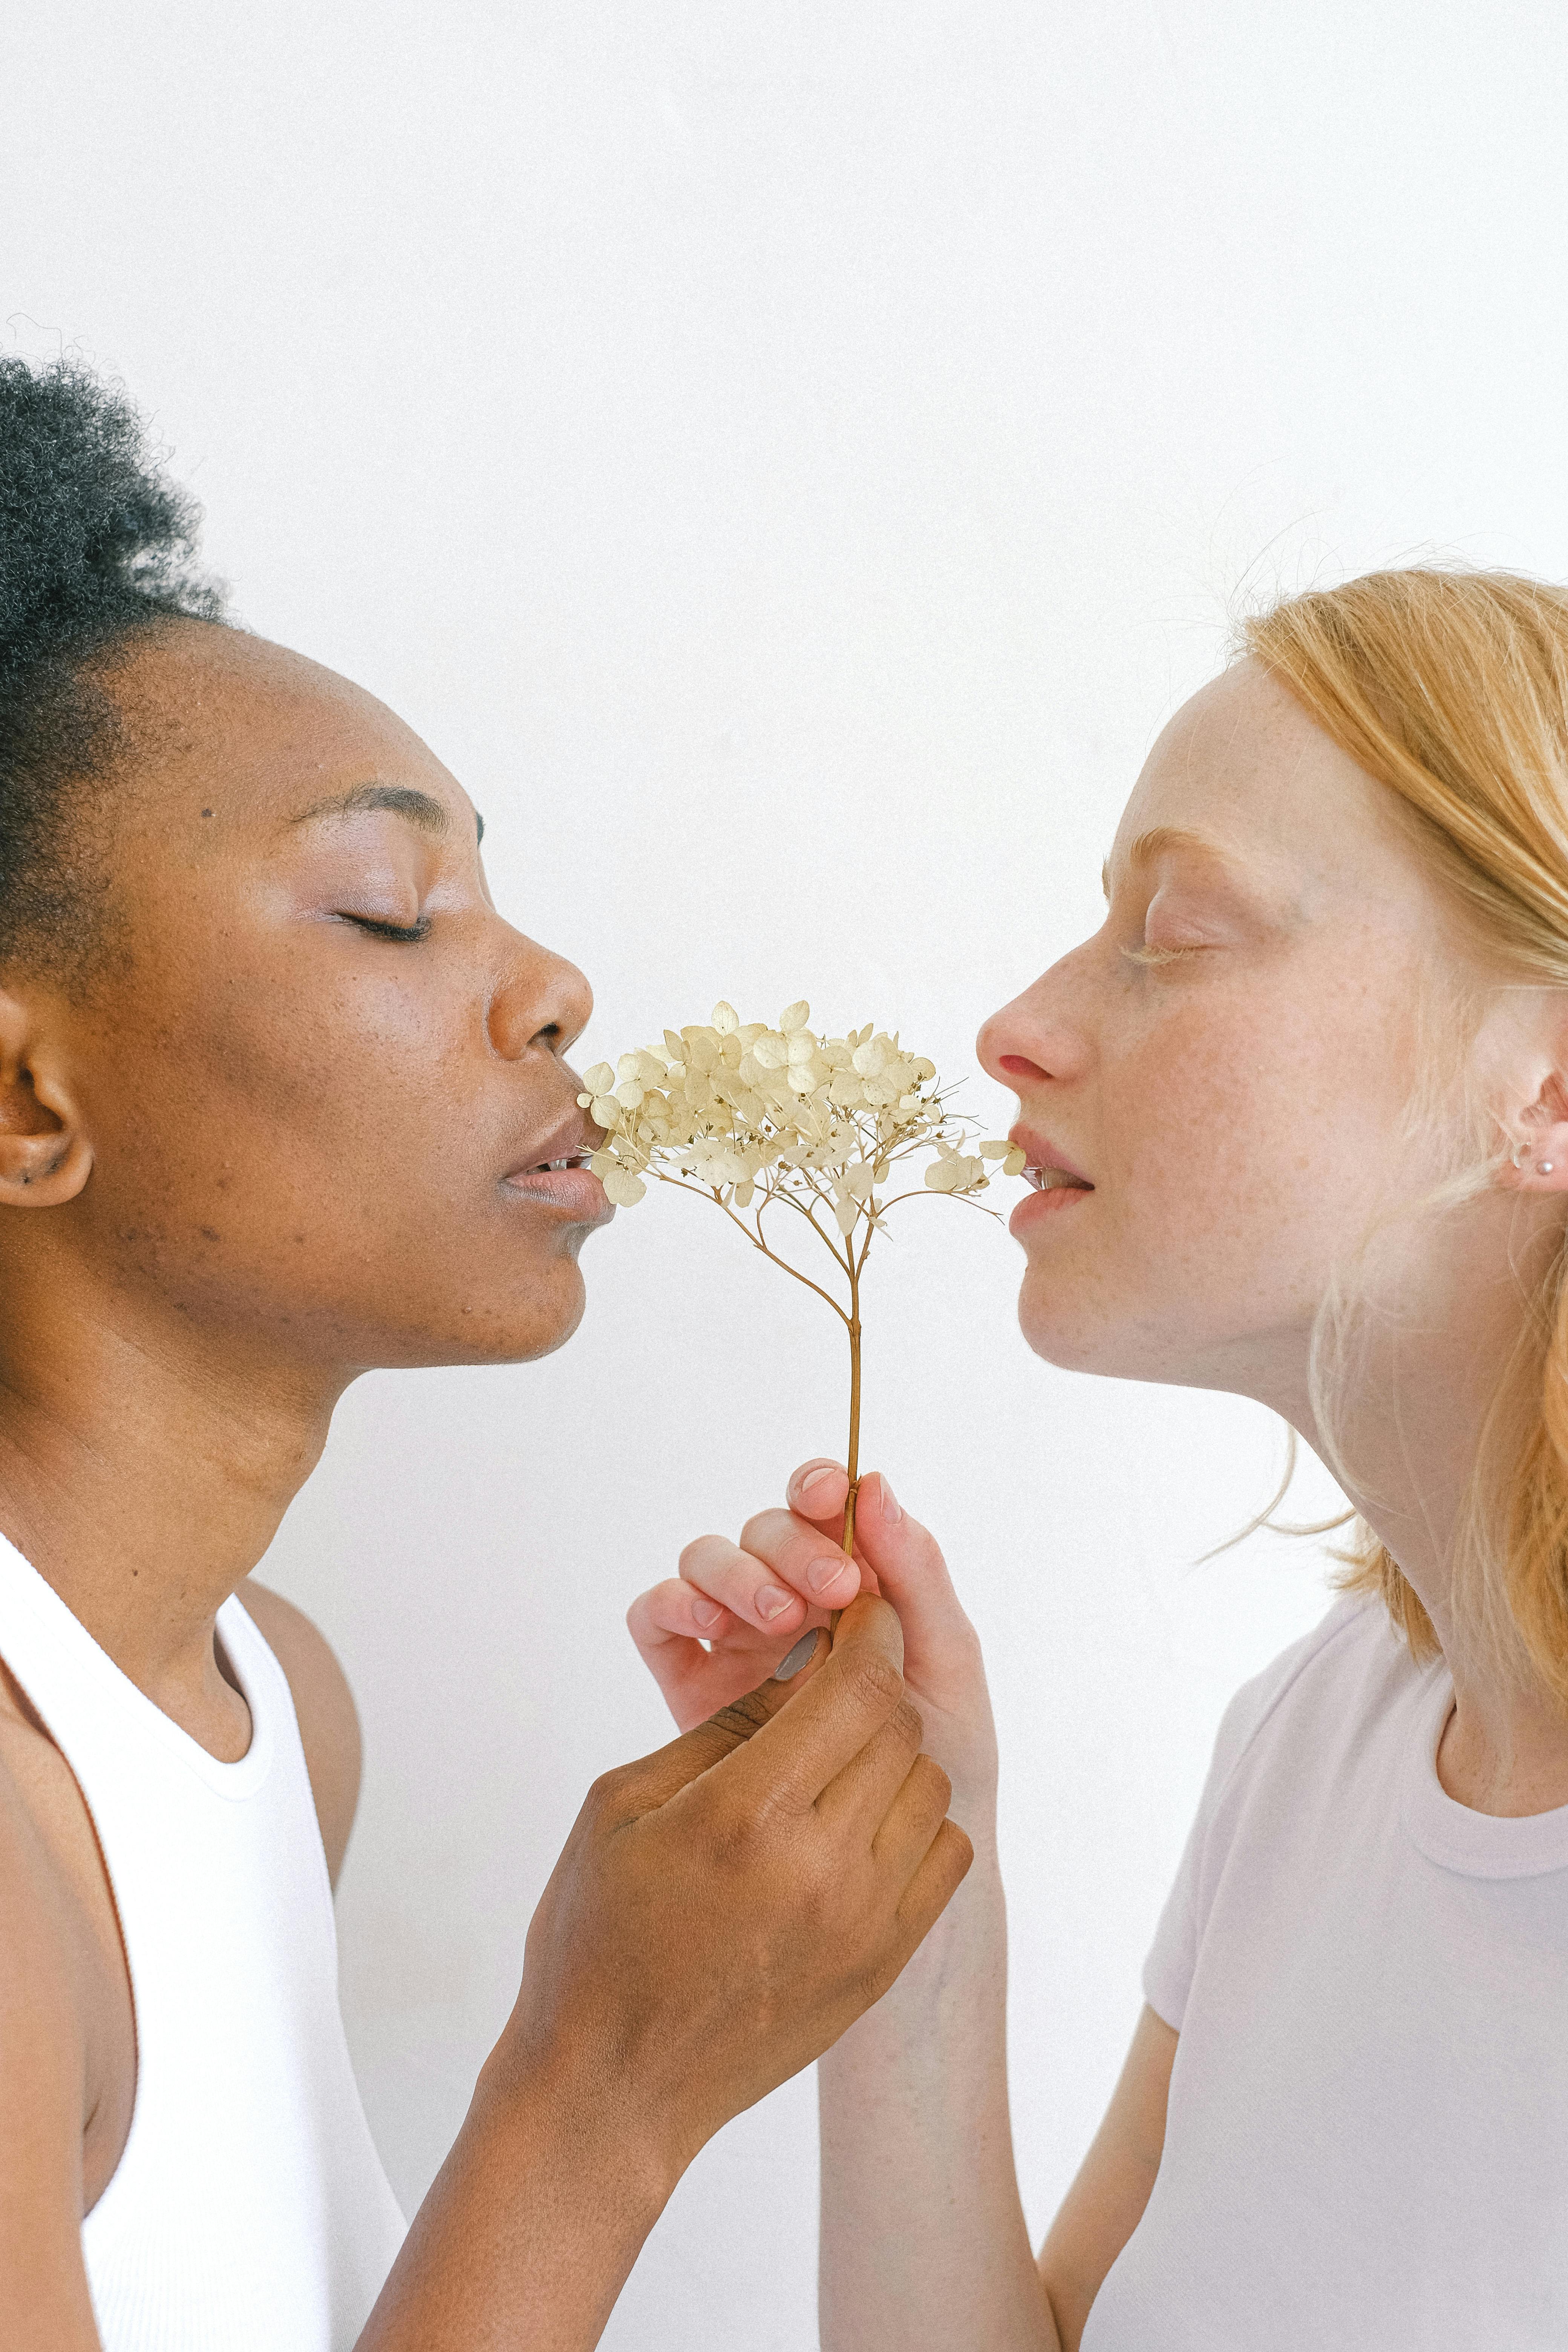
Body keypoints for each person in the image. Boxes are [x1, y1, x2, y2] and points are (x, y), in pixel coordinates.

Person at [0, 354, 973, 2352]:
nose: (551, 987)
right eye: (386, 909)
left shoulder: (274, 1706)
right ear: (27, 1105)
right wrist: (597, 2094)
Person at [632, 567, 1568, 2347]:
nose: (1020, 1024)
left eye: (1174, 933)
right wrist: (914, 1909)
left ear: (1548, 1090)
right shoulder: (1316, 1746)